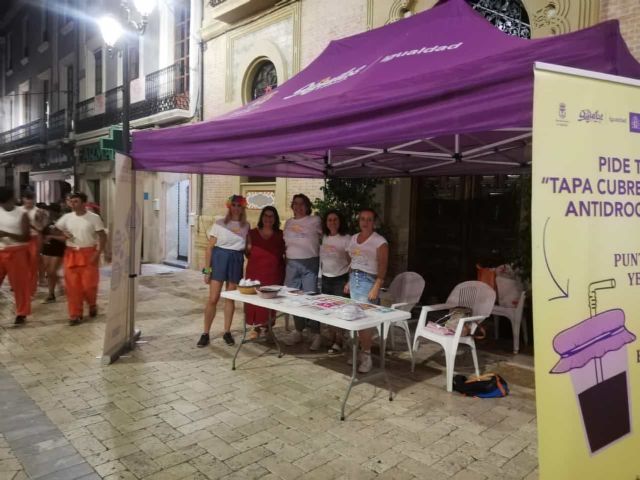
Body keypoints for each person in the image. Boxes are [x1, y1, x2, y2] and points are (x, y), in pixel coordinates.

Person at [198, 195, 249, 348]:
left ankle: (227, 332)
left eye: (239, 205)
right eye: (233, 205)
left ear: (243, 208)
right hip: (219, 259)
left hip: (236, 260)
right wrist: (207, 270)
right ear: (229, 206)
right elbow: (209, 248)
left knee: (230, 298)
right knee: (213, 298)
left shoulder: (246, 225)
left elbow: (248, 248)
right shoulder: (219, 223)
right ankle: (205, 333)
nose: (236, 208)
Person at [53, 192, 108, 325]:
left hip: (89, 253)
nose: (73, 204)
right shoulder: (66, 217)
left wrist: (99, 252)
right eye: (71, 201)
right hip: (71, 254)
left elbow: (102, 236)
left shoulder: (94, 218)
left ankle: (92, 304)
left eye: (76, 201)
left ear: (84, 203)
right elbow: (55, 229)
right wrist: (63, 233)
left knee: (89, 286)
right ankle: (75, 315)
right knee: (72, 287)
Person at [345, 208, 389, 373]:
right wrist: (349, 280)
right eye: (362, 219)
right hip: (354, 279)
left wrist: (377, 285)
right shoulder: (353, 238)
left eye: (369, 219)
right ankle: (358, 352)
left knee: (365, 322)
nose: (365, 222)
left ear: (374, 222)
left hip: (368, 281)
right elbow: (351, 258)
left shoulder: (380, 242)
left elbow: (383, 265)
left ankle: (367, 356)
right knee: (355, 319)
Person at [283, 194, 323, 350]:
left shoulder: (315, 221)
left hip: (310, 263)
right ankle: (299, 331)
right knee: (294, 299)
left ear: (307, 206)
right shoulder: (288, 223)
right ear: (292, 206)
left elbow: (325, 238)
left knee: (311, 299)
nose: (298, 206)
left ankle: (316, 333)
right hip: (292, 264)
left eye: (302, 204)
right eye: (295, 204)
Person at [244, 206, 285, 339]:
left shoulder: (281, 235)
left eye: (271, 216)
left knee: (270, 301)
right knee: (254, 300)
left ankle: (268, 328)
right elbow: (246, 252)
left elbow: (286, 253)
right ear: (261, 217)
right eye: (266, 216)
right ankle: (255, 327)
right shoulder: (251, 233)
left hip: (274, 273)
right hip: (255, 272)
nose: (268, 218)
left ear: (275, 219)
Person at [319, 210, 351, 353]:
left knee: (340, 310)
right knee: (329, 310)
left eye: (335, 219)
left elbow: (352, 261)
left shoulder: (346, 238)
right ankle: (332, 338)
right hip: (326, 278)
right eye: (329, 220)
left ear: (340, 221)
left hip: (340, 278)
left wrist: (349, 281)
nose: (332, 222)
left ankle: (339, 340)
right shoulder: (324, 237)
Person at [0, 186, 32, 324]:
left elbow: (26, 237)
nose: (4, 205)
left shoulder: (22, 213)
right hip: (1, 250)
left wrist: (6, 234)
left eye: (6, 202)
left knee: (19, 285)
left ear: (12, 199)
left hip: (17, 251)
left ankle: (22, 312)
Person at [20, 190, 47, 295]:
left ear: (34, 200)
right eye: (27, 199)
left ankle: (31, 288)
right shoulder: (18, 210)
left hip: (34, 238)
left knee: (33, 264)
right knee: (21, 264)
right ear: (23, 199)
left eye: (31, 200)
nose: (29, 202)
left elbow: (41, 227)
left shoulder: (38, 211)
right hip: (20, 239)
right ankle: (21, 284)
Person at [41, 203, 66, 303]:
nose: (49, 213)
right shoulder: (46, 221)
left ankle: (52, 293)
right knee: (49, 271)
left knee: (52, 271)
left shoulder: (63, 221)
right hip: (47, 248)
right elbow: (42, 233)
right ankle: (52, 293)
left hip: (58, 249)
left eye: (50, 211)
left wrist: (53, 237)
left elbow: (65, 238)